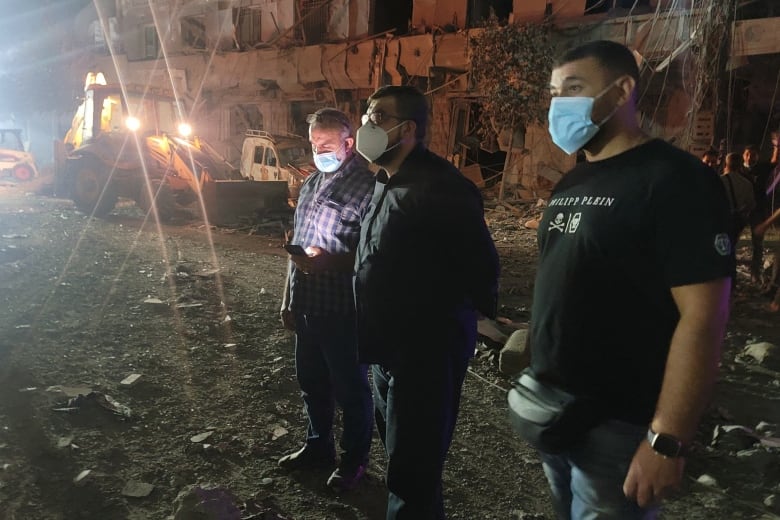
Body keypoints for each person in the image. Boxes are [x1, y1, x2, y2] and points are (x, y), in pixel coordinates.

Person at [523, 40, 733, 518]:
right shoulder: (574, 180)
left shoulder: (675, 181)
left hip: (619, 426)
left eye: (574, 88)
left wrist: (666, 440)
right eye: (555, 92)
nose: (560, 104)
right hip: (555, 412)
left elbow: (704, 317)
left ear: (621, 93)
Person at [352, 85, 500, 519]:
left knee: (413, 472)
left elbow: (481, 270)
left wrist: (436, 322)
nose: (366, 125)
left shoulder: (443, 189)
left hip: (423, 356)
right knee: (404, 463)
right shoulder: (384, 181)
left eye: (377, 117)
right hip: (385, 353)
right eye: (366, 115)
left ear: (408, 129)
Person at [278, 108, 375, 492]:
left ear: (349, 144)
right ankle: (318, 447)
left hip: (342, 311)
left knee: (351, 390)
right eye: (314, 144)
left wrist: (331, 261)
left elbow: (374, 255)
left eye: (327, 144)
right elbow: (297, 244)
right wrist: (288, 299)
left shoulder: (368, 189)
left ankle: (354, 463)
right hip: (307, 307)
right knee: (312, 383)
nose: (319, 151)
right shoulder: (311, 184)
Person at [743, 138, 779, 284]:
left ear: (758, 156)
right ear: (743, 155)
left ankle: (755, 273)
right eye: (748, 154)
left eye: (753, 155)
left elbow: (774, 162)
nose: (750, 157)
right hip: (740, 211)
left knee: (757, 244)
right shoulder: (737, 167)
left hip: (757, 210)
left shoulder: (762, 168)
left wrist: (776, 146)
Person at [721, 152, 755, 247]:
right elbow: (751, 204)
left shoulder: (719, 181)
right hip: (738, 219)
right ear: (741, 166)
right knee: (732, 245)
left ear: (725, 164)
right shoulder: (747, 184)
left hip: (721, 218)